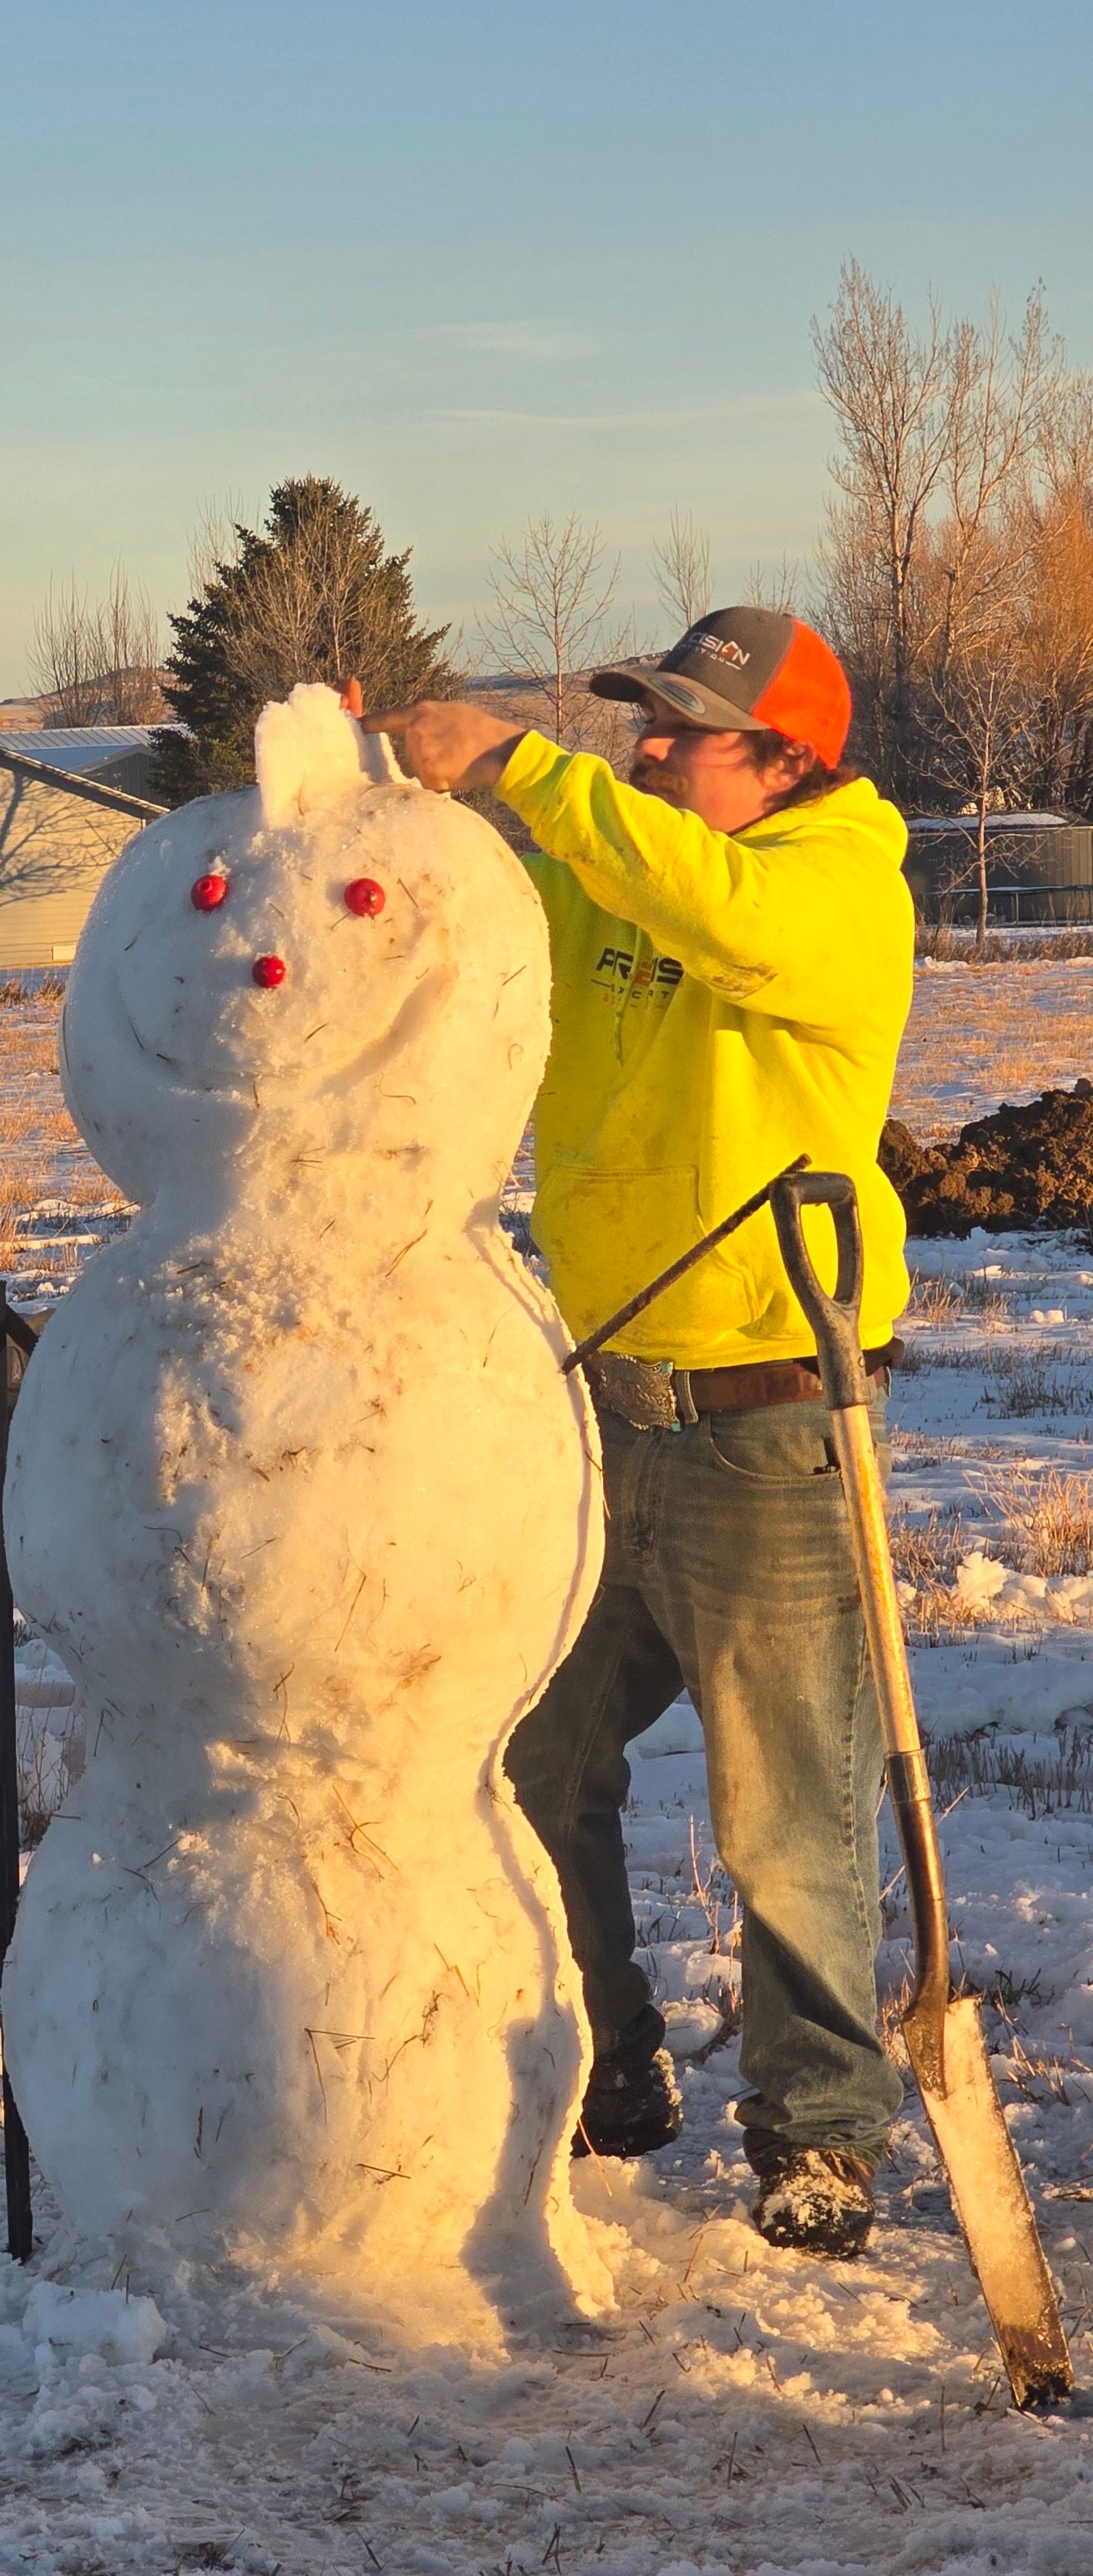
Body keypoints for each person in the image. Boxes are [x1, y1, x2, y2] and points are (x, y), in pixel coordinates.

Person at [361, 608, 914, 2259]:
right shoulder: (621, 873)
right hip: (599, 1409)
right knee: (529, 1750)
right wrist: (381, 823)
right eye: (639, 723)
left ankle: (817, 2133)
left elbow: (720, 918)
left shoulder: (831, 890)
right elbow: (479, 924)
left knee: (785, 1809)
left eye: (683, 729)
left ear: (787, 761)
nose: (647, 749)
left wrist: (523, 761)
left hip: (770, 1423)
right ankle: (603, 2064)